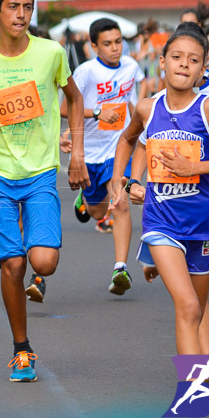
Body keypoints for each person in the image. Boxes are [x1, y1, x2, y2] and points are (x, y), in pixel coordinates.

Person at [0, 0, 88, 382]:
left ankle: (34, 261)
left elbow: (75, 99)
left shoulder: (50, 53)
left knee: (43, 260)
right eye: (13, 7)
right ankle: (22, 348)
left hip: (39, 172)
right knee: (13, 264)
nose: (21, 15)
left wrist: (77, 155)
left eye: (27, 7)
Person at [111, 26, 209, 363]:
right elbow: (128, 139)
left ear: (204, 68)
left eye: (193, 60)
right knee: (188, 305)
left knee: (200, 306)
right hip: (161, 222)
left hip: (204, 222)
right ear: (162, 62)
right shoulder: (148, 108)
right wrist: (127, 181)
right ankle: (195, 388)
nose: (183, 65)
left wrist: (197, 169)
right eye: (176, 57)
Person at [68, 18, 144, 294]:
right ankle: (84, 202)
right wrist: (97, 112)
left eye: (118, 42)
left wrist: (144, 121)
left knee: (120, 203)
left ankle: (120, 269)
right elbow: (66, 109)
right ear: (93, 46)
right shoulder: (86, 72)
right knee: (98, 211)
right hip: (89, 153)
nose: (115, 48)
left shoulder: (131, 67)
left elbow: (132, 99)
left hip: (117, 148)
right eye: (107, 44)